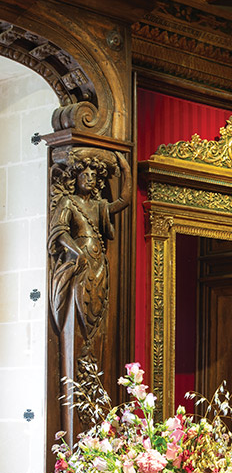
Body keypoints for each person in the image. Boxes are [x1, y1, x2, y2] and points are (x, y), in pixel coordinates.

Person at [48, 149, 131, 349]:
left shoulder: (98, 205)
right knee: (77, 306)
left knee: (97, 307)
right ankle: (78, 351)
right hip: (80, 260)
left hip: (98, 261)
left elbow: (123, 201)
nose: (90, 179)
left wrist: (126, 169)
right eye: (85, 175)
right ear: (76, 178)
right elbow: (59, 232)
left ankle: (91, 351)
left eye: (94, 176)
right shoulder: (69, 202)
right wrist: (77, 252)